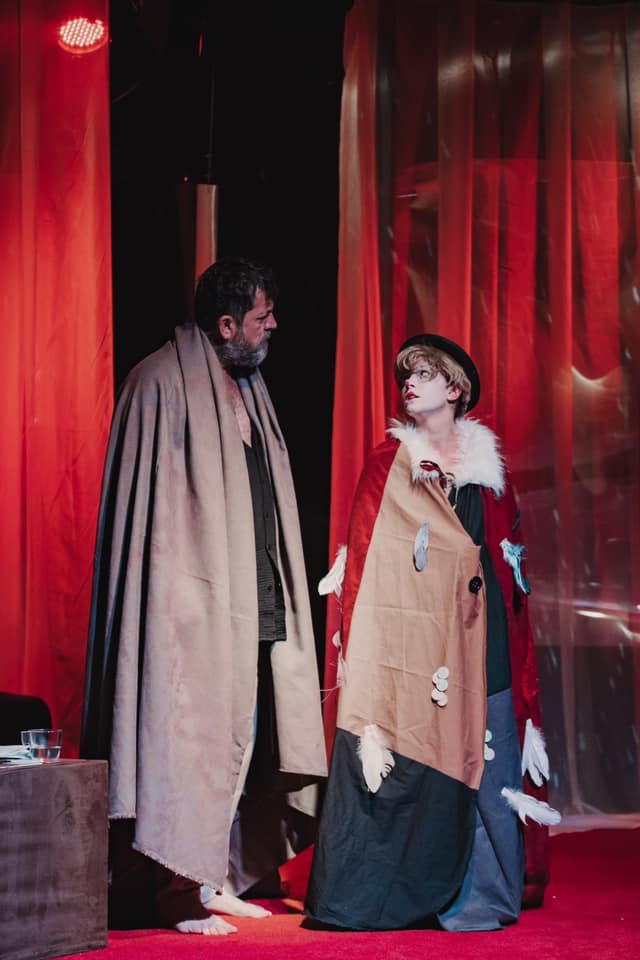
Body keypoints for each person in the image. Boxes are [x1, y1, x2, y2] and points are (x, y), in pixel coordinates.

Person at [81, 257, 327, 935]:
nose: (273, 325)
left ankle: (212, 875)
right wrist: (176, 604)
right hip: (187, 610)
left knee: (245, 739)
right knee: (187, 737)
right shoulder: (157, 383)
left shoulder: (250, 388)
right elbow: (149, 524)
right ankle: (177, 889)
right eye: (261, 316)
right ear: (226, 324)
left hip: (255, 593)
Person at [306, 333, 558, 932]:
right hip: (415, 637)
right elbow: (367, 559)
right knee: (413, 751)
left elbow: (508, 564)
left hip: (482, 629)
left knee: (489, 750)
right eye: (406, 376)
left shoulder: (488, 474)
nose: (409, 384)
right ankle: (387, 889)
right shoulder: (387, 465)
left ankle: (482, 890)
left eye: (423, 374)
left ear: (455, 388)